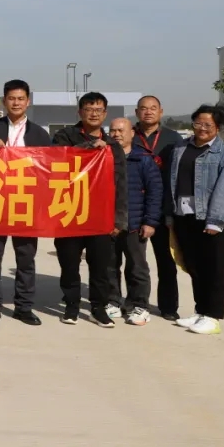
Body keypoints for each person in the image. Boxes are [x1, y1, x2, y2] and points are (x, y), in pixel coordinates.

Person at [0, 79, 53, 326]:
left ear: (28, 102)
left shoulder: (39, 134)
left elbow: (50, 168)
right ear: (4, 102)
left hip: (26, 203)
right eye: (11, 98)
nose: (16, 103)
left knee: (26, 259)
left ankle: (24, 307)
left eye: (20, 99)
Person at [51, 92, 129, 328]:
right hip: (70, 212)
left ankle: (98, 308)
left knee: (101, 267)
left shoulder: (113, 146)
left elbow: (121, 185)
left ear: (105, 114)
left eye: (98, 110)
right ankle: (71, 306)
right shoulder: (64, 136)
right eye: (88, 109)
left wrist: (119, 220)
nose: (93, 114)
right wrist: (89, 147)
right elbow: (58, 160)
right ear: (80, 112)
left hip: (100, 217)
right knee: (69, 264)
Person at [169, 105, 224, 336]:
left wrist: (215, 220)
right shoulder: (181, 148)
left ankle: (213, 316)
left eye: (208, 124)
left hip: (210, 218)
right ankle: (200, 310)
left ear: (218, 127)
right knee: (194, 265)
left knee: (214, 268)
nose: (202, 128)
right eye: (198, 123)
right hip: (184, 215)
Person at [133, 95, 185, 321]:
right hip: (135, 207)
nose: (148, 112)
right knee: (134, 262)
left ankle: (168, 307)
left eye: (153, 108)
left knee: (166, 261)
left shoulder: (174, 139)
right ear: (137, 112)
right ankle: (134, 303)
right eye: (144, 108)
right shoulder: (128, 136)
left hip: (164, 209)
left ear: (161, 112)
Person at [108, 118, 161, 326]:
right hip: (109, 225)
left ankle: (139, 306)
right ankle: (113, 301)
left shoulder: (143, 160)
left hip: (135, 224)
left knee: (136, 267)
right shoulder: (104, 157)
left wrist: (150, 222)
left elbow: (155, 192)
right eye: (113, 130)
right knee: (109, 266)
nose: (116, 134)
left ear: (132, 133)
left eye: (121, 130)